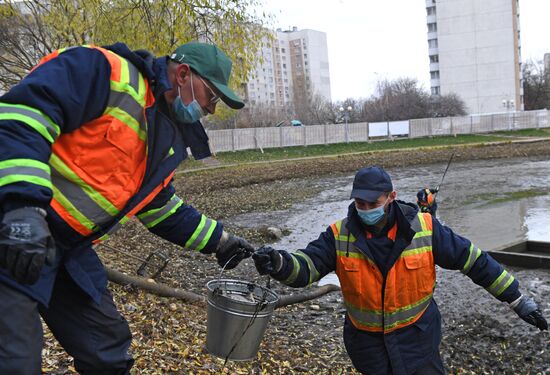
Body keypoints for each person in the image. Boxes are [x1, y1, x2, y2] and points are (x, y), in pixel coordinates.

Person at [0, 41, 254, 374]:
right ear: (183, 74)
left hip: (68, 248)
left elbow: (160, 208)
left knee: (107, 350)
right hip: (16, 225)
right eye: (212, 97)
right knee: (15, 358)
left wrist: (221, 241)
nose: (211, 109)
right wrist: (23, 208)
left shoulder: (165, 134)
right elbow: (21, 117)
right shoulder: (103, 70)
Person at [253, 166, 547, 375]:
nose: (366, 209)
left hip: (419, 342)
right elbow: (306, 268)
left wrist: (517, 299)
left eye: (373, 203)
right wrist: (279, 263)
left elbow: (474, 261)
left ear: (391, 197)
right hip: (369, 350)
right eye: (359, 203)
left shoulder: (426, 228)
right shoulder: (338, 235)